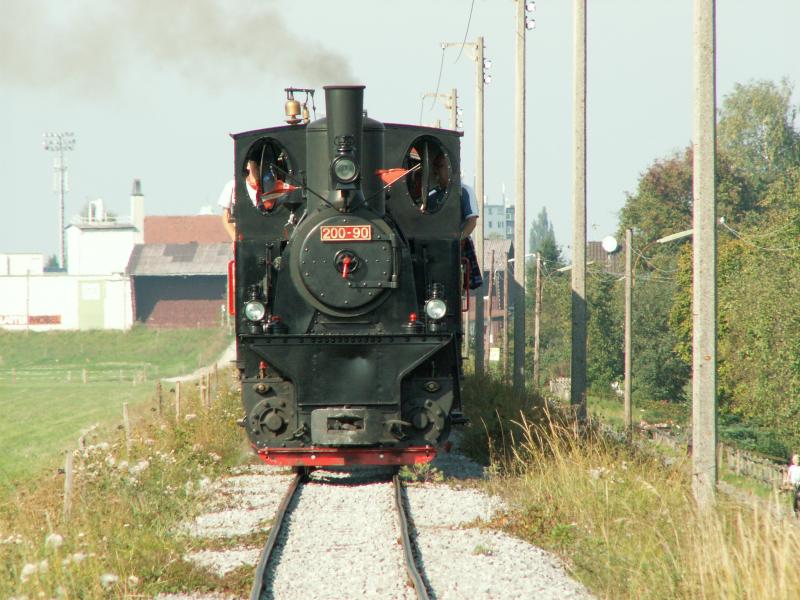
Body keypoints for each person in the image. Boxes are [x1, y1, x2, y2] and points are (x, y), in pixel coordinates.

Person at [427, 152, 482, 290]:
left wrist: (457, 241)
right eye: (437, 167)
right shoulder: (431, 196)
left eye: (441, 167)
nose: (438, 171)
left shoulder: (464, 191)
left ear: (451, 169)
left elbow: (472, 222)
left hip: (455, 247)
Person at [218, 160, 262, 241]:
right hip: (242, 238)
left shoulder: (273, 187)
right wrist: (235, 238)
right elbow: (226, 216)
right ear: (248, 166)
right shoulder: (232, 186)